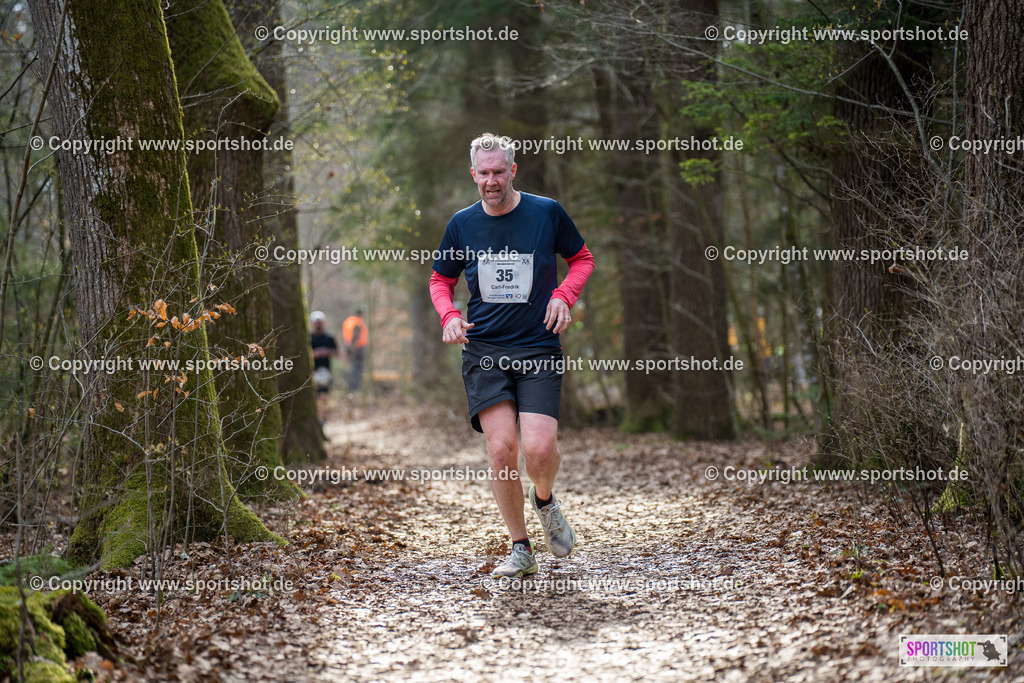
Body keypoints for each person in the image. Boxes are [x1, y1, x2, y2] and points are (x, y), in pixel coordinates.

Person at [429, 132, 595, 578]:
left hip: (538, 346)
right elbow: (440, 280)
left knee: (539, 450)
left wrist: (564, 294)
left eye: (499, 171)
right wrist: (448, 316)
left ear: (512, 170)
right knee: (502, 452)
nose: (491, 181)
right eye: (483, 173)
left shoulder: (545, 212)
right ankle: (520, 548)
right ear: (473, 174)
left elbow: (582, 258)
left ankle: (545, 500)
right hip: (483, 350)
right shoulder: (461, 224)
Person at [309, 311, 338, 426]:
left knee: (323, 396)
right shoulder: (309, 338)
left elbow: (336, 352)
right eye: (316, 322)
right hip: (312, 372)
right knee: (314, 397)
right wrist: (314, 354)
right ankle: (316, 418)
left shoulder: (329, 337)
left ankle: (323, 419)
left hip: (325, 372)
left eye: (320, 322)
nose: (318, 324)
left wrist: (327, 352)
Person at [341, 308, 369, 392]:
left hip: (350, 348)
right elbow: (355, 336)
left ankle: (352, 388)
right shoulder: (358, 323)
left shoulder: (349, 321)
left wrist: (348, 349)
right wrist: (352, 349)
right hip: (357, 349)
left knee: (352, 368)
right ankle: (354, 389)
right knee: (357, 369)